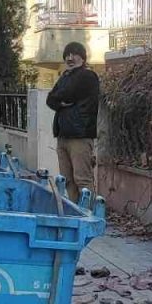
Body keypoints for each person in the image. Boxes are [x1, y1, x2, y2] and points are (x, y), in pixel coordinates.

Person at [45, 42, 101, 202]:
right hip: (63, 135)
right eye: (67, 54)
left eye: (74, 54)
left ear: (82, 57)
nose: (70, 58)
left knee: (82, 179)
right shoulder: (65, 76)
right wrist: (59, 101)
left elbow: (66, 94)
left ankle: (89, 216)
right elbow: (50, 99)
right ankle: (74, 214)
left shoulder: (87, 76)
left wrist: (59, 101)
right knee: (67, 181)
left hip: (80, 136)